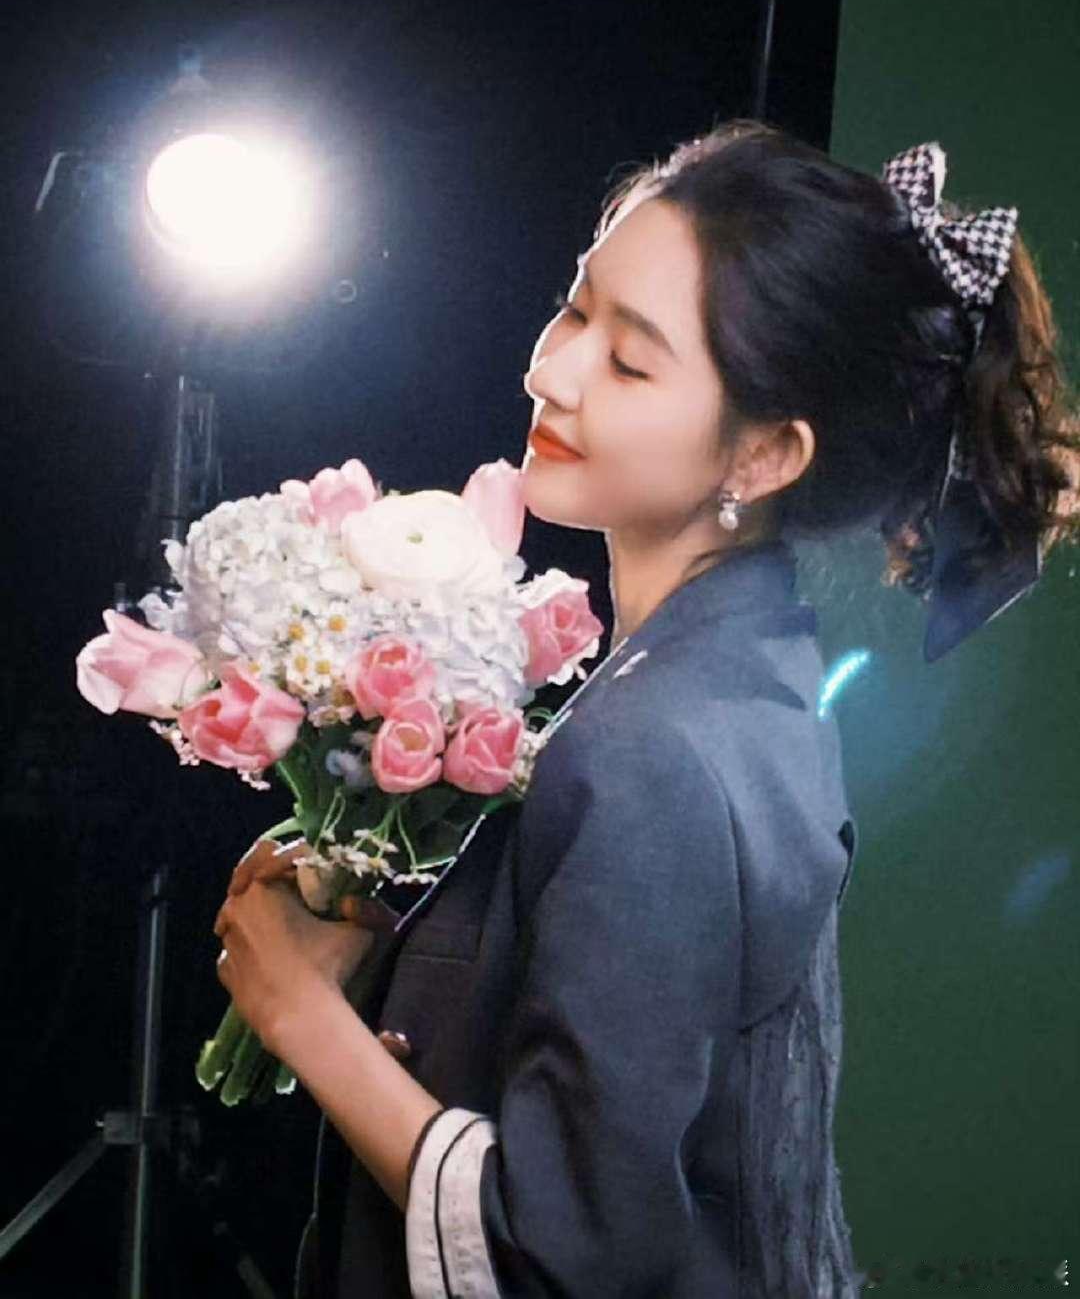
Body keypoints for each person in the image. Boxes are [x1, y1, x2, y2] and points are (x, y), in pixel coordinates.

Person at [213, 119, 1080, 1298]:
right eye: (576, 310)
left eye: (629, 360)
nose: (553, 371)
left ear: (764, 455)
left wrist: (301, 1012)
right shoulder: (739, 674)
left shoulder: (654, 743)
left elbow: (573, 1250)